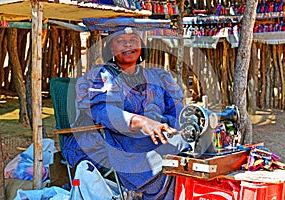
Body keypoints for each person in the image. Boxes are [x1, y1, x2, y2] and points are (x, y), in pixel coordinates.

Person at [62, 27, 191, 199]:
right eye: (121, 41)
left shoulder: (157, 77)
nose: (128, 44)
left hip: (151, 139)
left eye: (134, 40)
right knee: (168, 162)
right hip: (114, 141)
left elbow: (176, 109)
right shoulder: (102, 76)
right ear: (111, 48)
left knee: (187, 152)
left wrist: (190, 120)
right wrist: (142, 122)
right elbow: (104, 112)